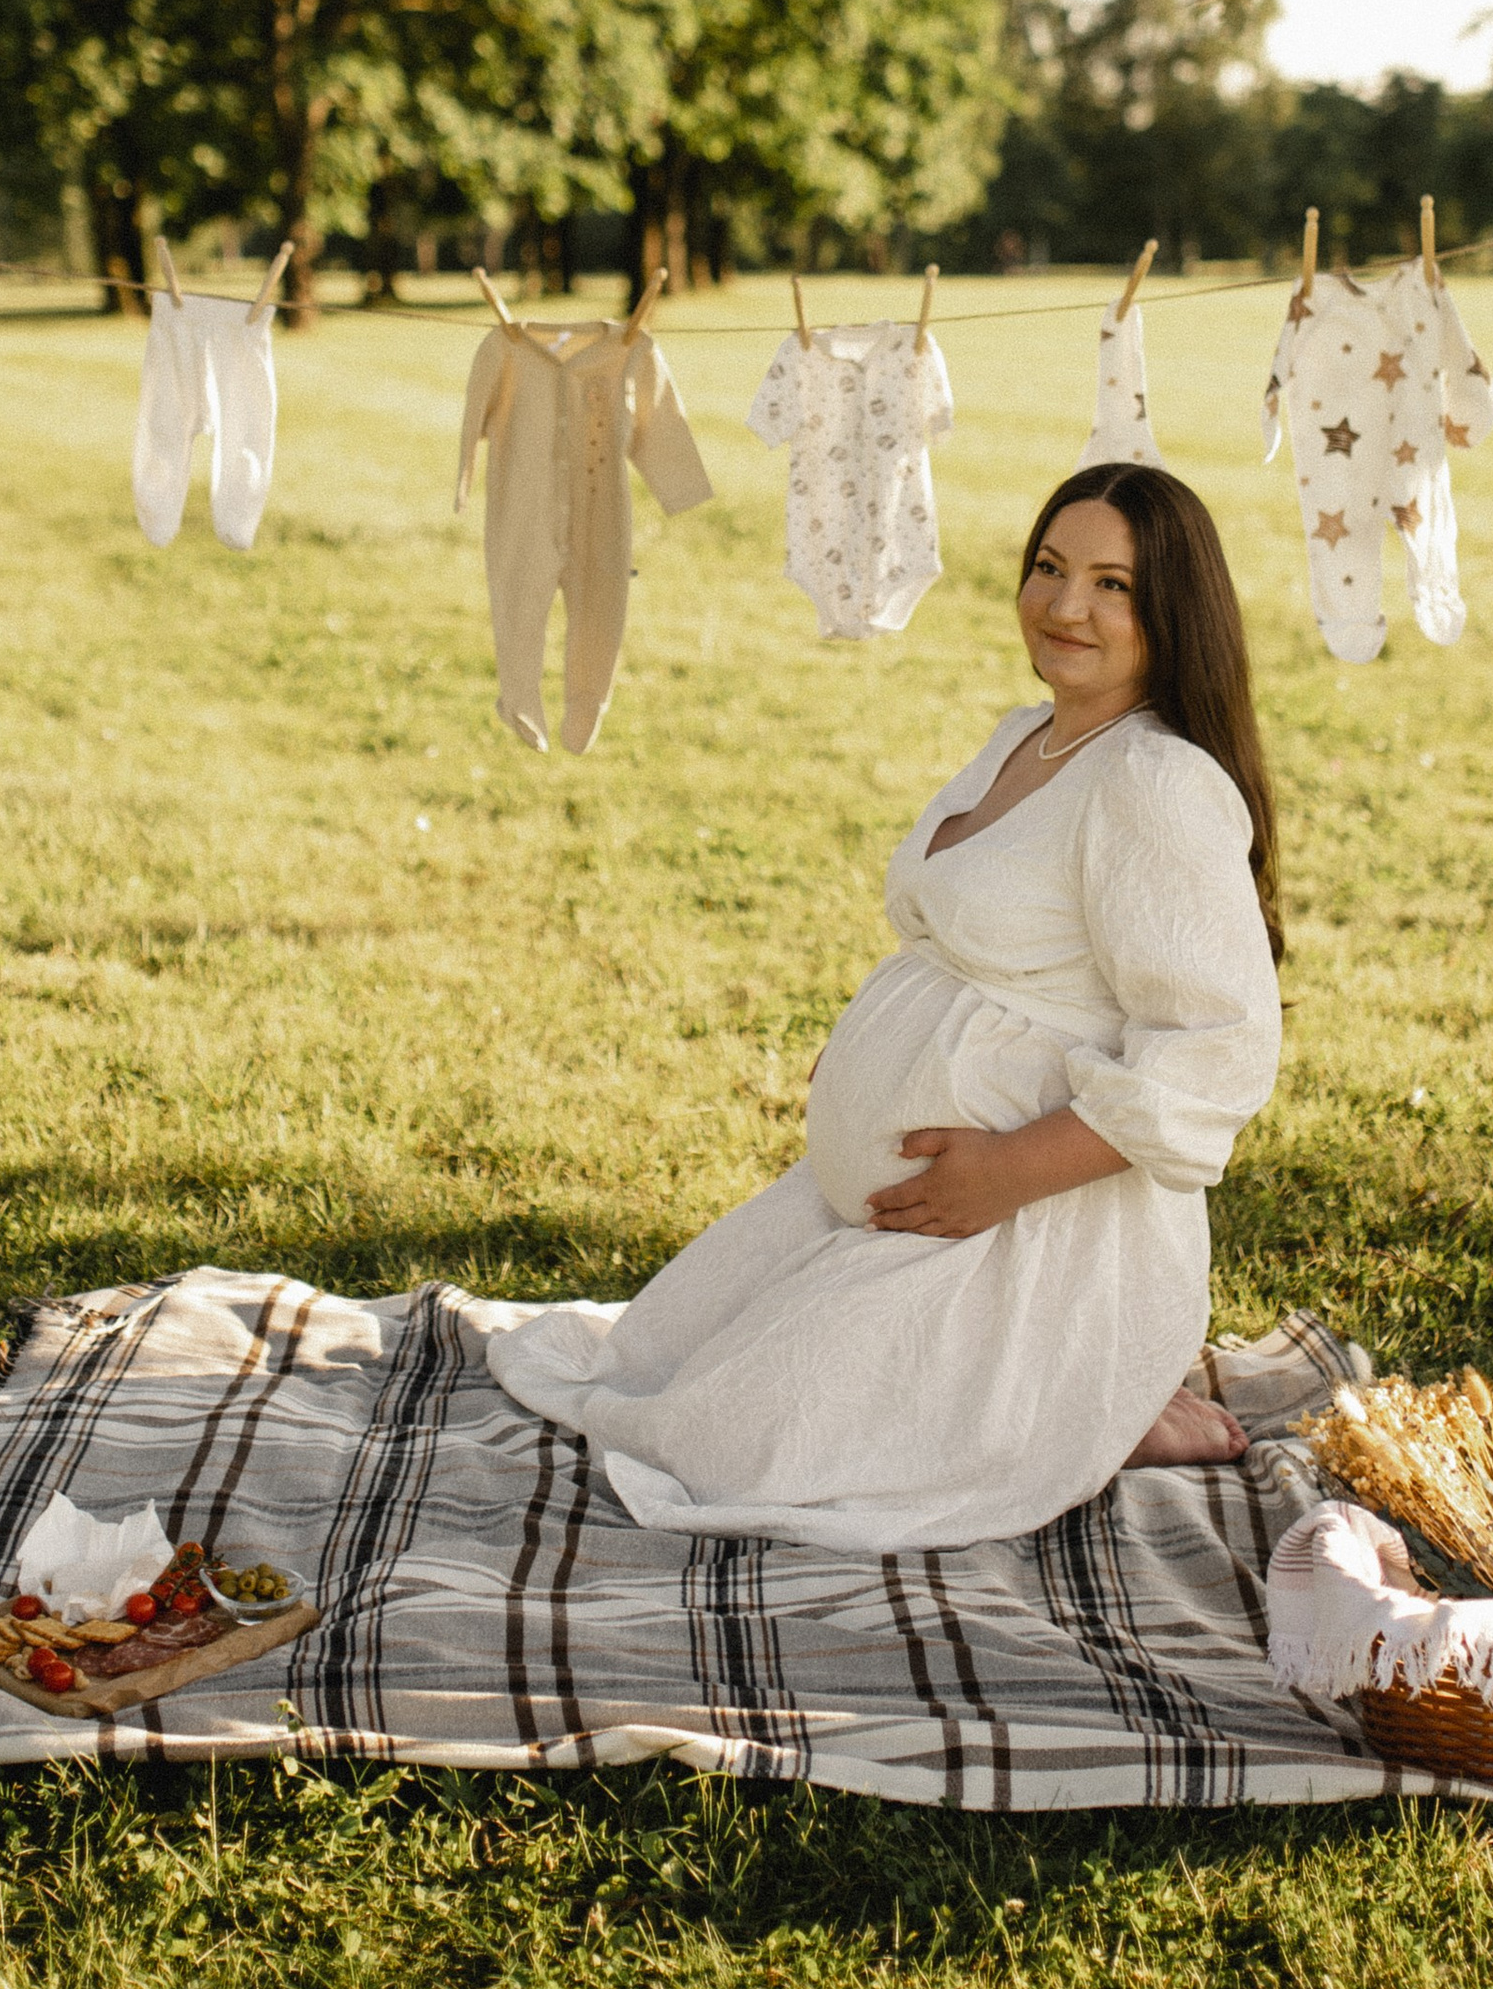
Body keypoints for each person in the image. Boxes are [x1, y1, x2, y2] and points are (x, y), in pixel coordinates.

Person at [483, 462, 1287, 1551]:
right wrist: (878, 1049)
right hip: (895, 1208)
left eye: (1113, 586)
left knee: (734, 1448)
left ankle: (1088, 1394)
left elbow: (1217, 1049)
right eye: (1049, 568)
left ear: (1173, 612)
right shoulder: (1026, 735)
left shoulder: (1155, 782)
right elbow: (959, 942)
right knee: (649, 1373)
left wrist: (1006, 1171)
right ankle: (1080, 1400)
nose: (1064, 606)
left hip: (1023, 1228)